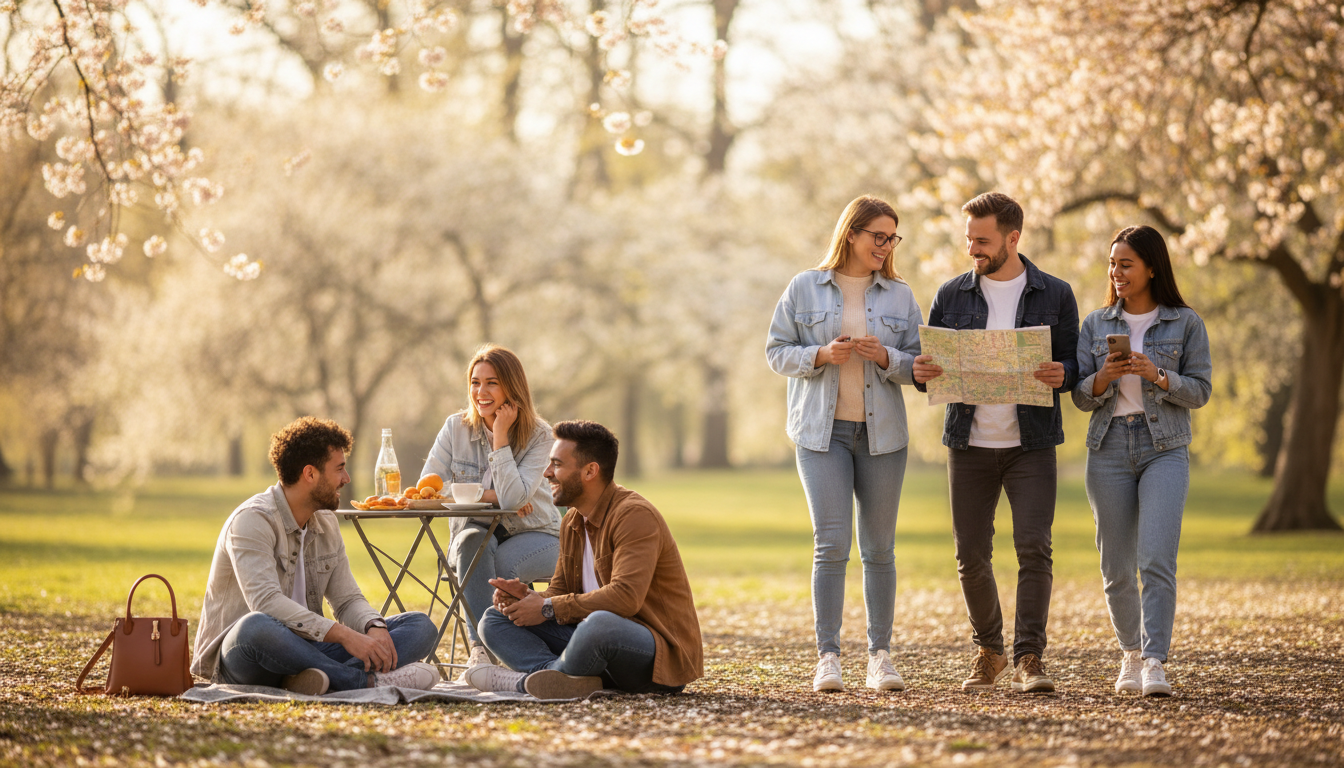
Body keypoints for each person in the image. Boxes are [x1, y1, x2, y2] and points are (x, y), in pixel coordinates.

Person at [913, 192, 1078, 694]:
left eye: (982, 241)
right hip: (969, 444)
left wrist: (1062, 373)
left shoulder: (1055, 293)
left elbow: (1076, 365)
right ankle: (990, 650)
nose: (972, 250)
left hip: (1031, 443)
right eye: (968, 239)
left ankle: (1031, 657)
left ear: (1013, 238)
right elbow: (929, 371)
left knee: (1034, 548)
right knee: (970, 554)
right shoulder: (952, 295)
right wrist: (922, 373)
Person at [764, 195, 923, 693]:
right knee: (831, 546)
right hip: (821, 433)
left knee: (879, 550)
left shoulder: (900, 295)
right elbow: (776, 352)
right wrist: (820, 354)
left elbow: (920, 367)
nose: (885, 245)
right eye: (878, 235)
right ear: (851, 233)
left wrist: (887, 358)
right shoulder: (803, 287)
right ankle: (828, 657)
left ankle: (881, 656)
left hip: (882, 437)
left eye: (892, 238)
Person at [192, 417, 440, 694]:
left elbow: (347, 600)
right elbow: (265, 602)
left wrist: (374, 627)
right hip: (247, 656)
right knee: (255, 626)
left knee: (420, 626)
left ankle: (314, 678)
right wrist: (345, 636)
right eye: (340, 469)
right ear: (310, 474)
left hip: (310, 650)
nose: (346, 479)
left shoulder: (325, 522)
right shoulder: (252, 521)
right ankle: (362, 681)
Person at [463, 420, 703, 700]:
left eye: (557, 465)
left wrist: (547, 607)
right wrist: (528, 599)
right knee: (493, 619)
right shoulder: (572, 520)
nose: (547, 473)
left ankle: (527, 681)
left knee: (600, 624)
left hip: (653, 656)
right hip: (593, 645)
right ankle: (557, 677)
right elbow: (559, 594)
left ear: (590, 471)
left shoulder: (634, 516)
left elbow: (626, 598)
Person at [1072, 225, 1212, 697]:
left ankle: (1155, 660)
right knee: (1115, 564)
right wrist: (1101, 378)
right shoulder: (1095, 324)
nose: (1116, 272)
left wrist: (1157, 374)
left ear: (1152, 267)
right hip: (1108, 447)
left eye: (1126, 263)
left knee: (1155, 557)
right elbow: (1080, 397)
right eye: (1112, 263)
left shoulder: (1185, 323)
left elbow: (1200, 391)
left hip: (1164, 449)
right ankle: (1130, 655)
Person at [420, 344, 561, 668]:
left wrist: (500, 437)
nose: (480, 391)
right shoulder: (455, 427)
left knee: (498, 571)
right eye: (475, 382)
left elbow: (515, 501)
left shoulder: (540, 435)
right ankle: (482, 653)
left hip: (536, 532)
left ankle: (520, 658)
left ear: (513, 386)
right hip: (475, 532)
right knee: (471, 543)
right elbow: (429, 487)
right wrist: (494, 498)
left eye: (492, 382)